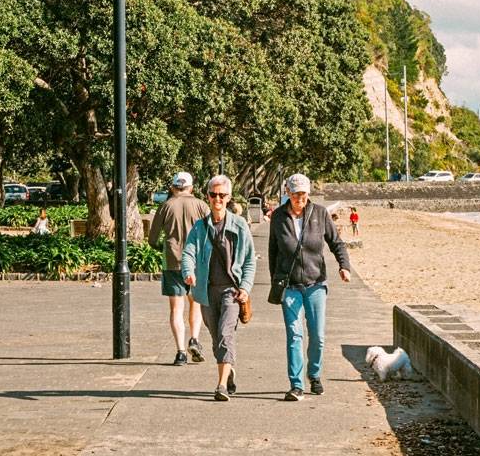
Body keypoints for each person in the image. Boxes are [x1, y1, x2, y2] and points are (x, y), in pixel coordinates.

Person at [268, 172, 351, 401]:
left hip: (316, 284)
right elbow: (273, 252)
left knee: (317, 336)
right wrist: (277, 282)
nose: (299, 199)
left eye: (303, 194)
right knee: (294, 335)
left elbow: (337, 244)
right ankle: (296, 385)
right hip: (290, 286)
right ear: (288, 194)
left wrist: (344, 267)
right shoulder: (278, 217)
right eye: (295, 194)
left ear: (308, 193)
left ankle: (314, 375)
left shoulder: (320, 214)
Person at [181, 174, 256, 402]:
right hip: (206, 290)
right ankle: (229, 370)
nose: (217, 199)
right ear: (207, 196)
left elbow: (250, 260)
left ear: (229, 197)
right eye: (213, 195)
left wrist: (245, 287)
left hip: (231, 291)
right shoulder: (200, 227)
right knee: (216, 338)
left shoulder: (239, 225)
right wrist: (188, 272)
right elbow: (188, 252)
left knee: (225, 334)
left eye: (222, 195)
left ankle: (221, 385)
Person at [149, 171, 210, 366]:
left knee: (176, 308)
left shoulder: (165, 206)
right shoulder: (201, 205)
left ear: (173, 187)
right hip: (197, 263)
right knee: (196, 302)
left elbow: (152, 238)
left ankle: (180, 351)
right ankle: (195, 339)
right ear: (191, 187)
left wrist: (163, 248)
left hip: (172, 261)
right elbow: (212, 233)